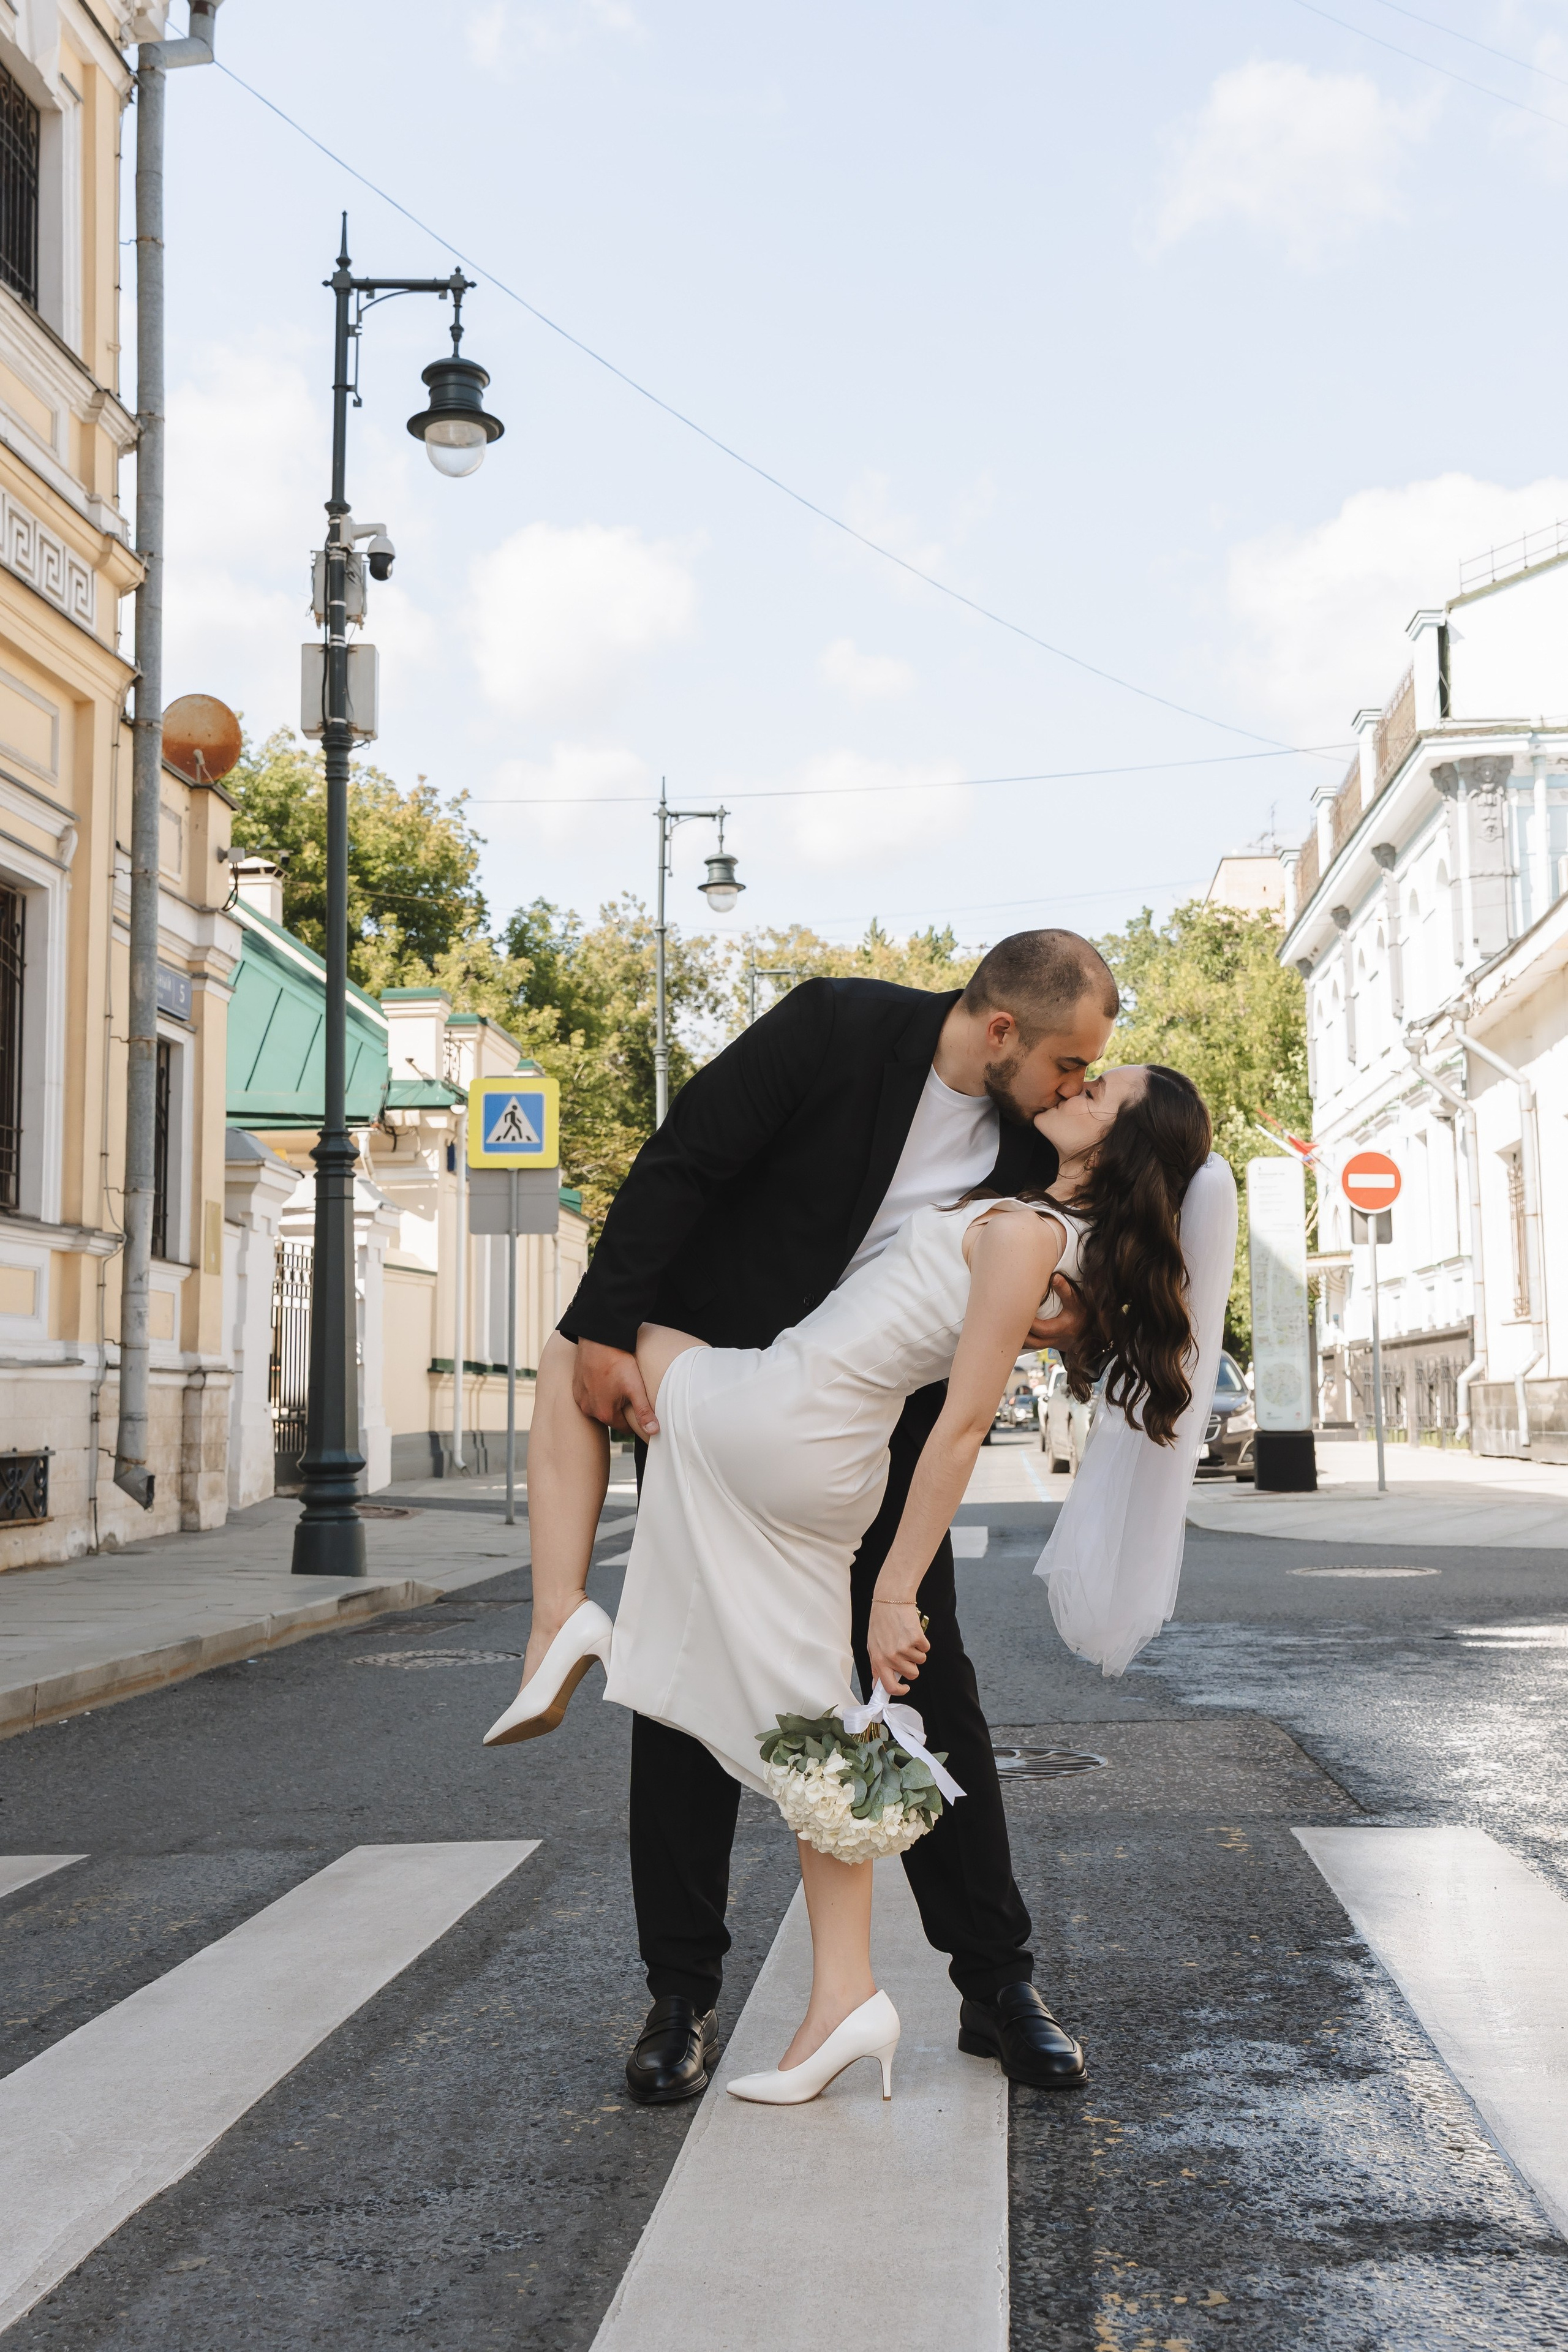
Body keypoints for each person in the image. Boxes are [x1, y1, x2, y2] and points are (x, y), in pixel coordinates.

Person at [489, 1054, 1218, 2104]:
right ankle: (842, 1996)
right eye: (1079, 1068)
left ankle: (563, 1618)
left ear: (1116, 1146)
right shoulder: (1038, 1220)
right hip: (825, 1452)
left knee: (582, 1346)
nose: (1073, 1086)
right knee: (823, 1725)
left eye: (1097, 1088)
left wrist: (895, 1594)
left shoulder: (1027, 1231)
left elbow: (965, 1427)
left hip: (792, 1420)